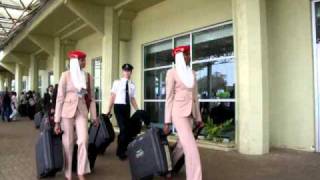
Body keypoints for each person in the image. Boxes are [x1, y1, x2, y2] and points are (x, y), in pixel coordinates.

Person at [53, 50, 98, 180]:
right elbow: (59, 98)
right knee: (68, 143)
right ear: (75, 61)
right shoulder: (65, 75)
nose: (85, 62)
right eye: (82, 60)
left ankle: (81, 171)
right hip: (66, 112)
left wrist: (94, 117)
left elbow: (92, 98)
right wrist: (57, 121)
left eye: (84, 59)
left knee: (83, 140)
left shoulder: (88, 77)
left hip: (82, 111)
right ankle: (68, 173)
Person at [163, 45, 204, 180]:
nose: (189, 57)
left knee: (181, 145)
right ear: (180, 57)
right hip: (178, 113)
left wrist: (198, 117)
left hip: (190, 113)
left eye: (189, 54)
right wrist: (167, 121)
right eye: (186, 54)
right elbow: (169, 97)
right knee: (191, 149)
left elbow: (195, 97)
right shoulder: (172, 73)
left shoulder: (192, 73)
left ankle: (168, 167)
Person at [106, 63, 139, 160]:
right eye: (125, 70)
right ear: (122, 71)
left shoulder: (132, 85)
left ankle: (121, 148)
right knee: (123, 128)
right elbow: (112, 96)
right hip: (118, 107)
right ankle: (121, 151)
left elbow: (132, 98)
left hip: (127, 107)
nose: (127, 72)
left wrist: (138, 110)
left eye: (129, 71)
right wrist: (108, 110)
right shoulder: (117, 82)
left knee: (125, 130)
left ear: (131, 72)